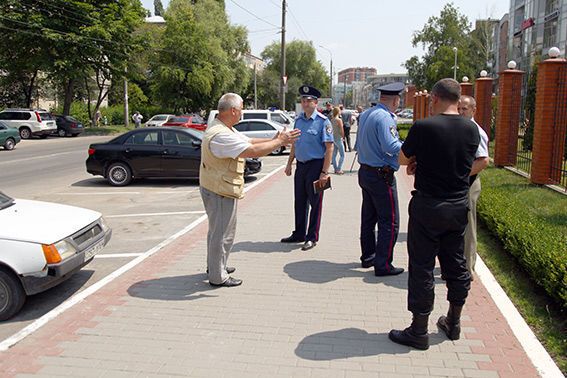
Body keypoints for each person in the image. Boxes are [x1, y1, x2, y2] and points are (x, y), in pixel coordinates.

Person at [389, 78, 481, 350]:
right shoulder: (472, 129)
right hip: (457, 207)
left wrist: (419, 161)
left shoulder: (423, 126)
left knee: (422, 267)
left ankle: (419, 330)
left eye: (430, 99)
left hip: (428, 206)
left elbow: (402, 159)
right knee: (456, 265)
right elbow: (464, 161)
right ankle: (453, 322)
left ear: (438, 98)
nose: (429, 104)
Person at [200, 93, 300, 287]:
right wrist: (280, 142)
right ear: (233, 111)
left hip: (218, 186)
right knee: (222, 234)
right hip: (220, 190)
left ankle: (216, 266)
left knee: (217, 232)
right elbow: (252, 151)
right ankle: (217, 276)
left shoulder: (223, 128)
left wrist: (275, 138)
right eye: (242, 108)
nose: (243, 112)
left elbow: (250, 142)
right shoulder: (221, 134)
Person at [354, 82, 405, 276]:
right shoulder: (385, 117)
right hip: (381, 175)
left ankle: (368, 256)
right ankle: (383, 264)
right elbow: (391, 146)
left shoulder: (367, 113)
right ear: (395, 100)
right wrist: (411, 148)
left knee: (368, 218)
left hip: (366, 172)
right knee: (390, 221)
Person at [281, 85, 334, 251]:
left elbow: (329, 148)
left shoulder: (323, 122)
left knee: (315, 203)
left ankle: (312, 237)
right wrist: (289, 163)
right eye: (303, 100)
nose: (304, 103)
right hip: (301, 166)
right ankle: (299, 233)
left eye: (308, 100)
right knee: (300, 201)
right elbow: (295, 144)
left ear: (316, 102)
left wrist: (324, 173)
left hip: (316, 166)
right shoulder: (298, 120)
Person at [458, 95, 490, 279]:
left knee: (468, 225)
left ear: (473, 110)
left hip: (469, 182)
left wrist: (460, 175)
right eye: (459, 108)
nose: (461, 112)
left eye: (465, 109)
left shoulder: (476, 131)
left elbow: (483, 161)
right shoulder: (462, 129)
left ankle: (468, 268)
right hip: (460, 183)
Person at [331, 106, 345, 174]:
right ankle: (339, 169)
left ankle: (335, 168)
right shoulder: (339, 120)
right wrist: (343, 136)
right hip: (338, 138)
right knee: (342, 155)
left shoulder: (332, 119)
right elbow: (341, 129)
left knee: (334, 155)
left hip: (333, 138)